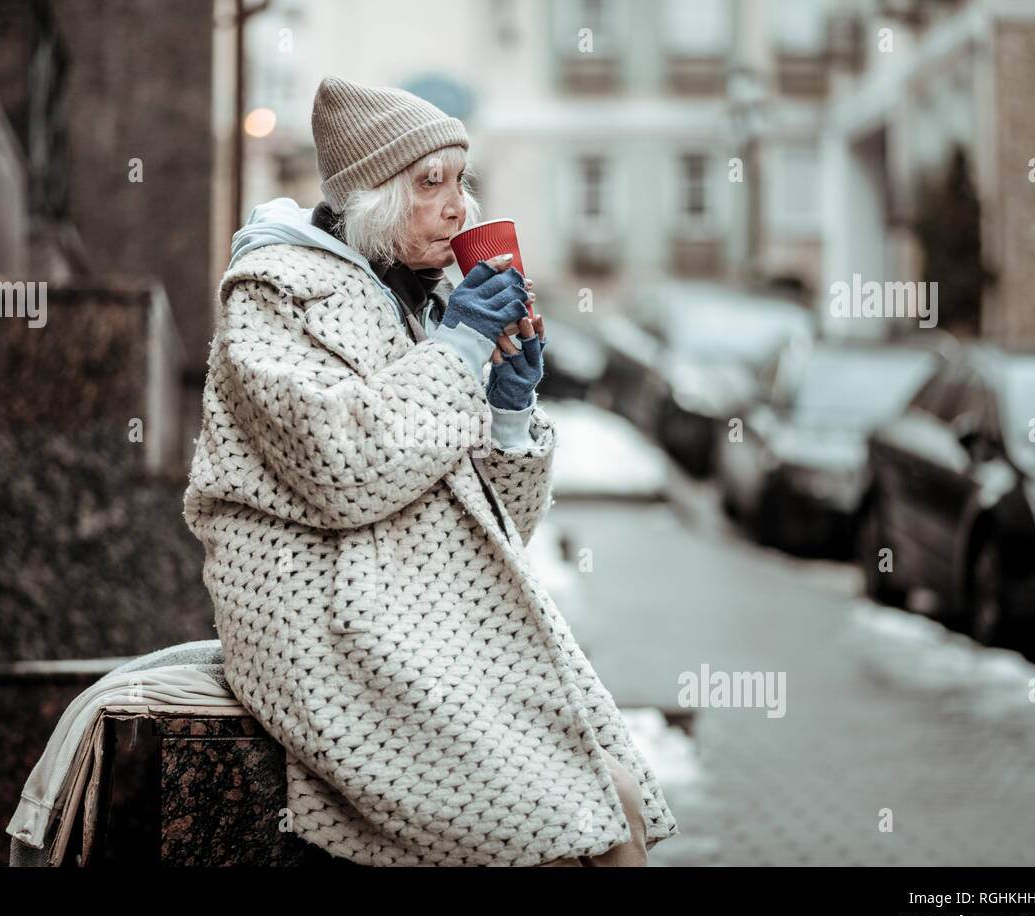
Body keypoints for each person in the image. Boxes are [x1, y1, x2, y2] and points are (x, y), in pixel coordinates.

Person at [183, 75, 677, 866]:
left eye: (461, 180)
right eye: (431, 184)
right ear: (375, 196)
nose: (458, 208)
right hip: (329, 624)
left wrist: (510, 411)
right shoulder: (273, 297)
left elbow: (495, 523)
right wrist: (456, 354)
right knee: (565, 825)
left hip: (429, 620)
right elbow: (343, 467)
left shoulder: (415, 302)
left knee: (616, 796)